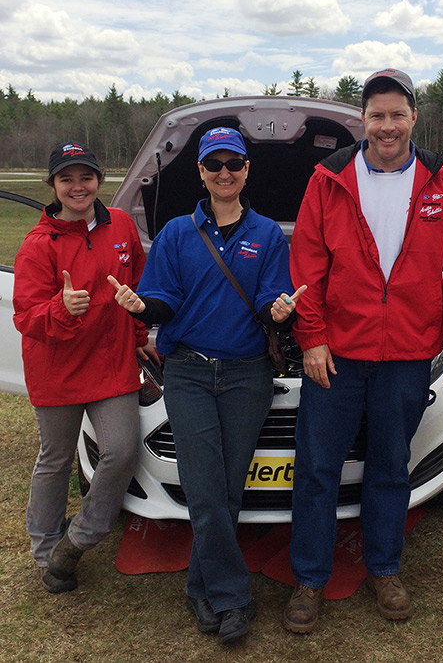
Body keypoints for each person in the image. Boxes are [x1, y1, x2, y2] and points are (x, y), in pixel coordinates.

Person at [284, 68, 443, 633]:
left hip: (408, 354)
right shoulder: (330, 178)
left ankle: (384, 568)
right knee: (318, 468)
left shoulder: (441, 183)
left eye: (397, 114)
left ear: (413, 117)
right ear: (363, 120)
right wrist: (314, 338)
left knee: (391, 466)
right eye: (377, 115)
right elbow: (309, 267)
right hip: (340, 355)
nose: (387, 126)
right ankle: (310, 579)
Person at [110, 127, 303, 644]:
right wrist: (141, 307)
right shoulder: (175, 233)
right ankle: (234, 597)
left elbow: (267, 300)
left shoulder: (266, 234)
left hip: (247, 376)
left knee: (227, 488)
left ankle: (201, 588)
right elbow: (163, 300)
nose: (224, 173)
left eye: (233, 164)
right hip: (190, 373)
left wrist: (279, 313)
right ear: (199, 171)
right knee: (204, 486)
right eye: (214, 164)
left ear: (246, 171)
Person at [13, 142, 154, 594]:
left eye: (86, 176)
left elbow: (137, 288)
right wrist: (61, 306)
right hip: (57, 367)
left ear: (99, 180)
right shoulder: (38, 246)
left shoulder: (122, 225)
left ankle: (78, 538)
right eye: (67, 178)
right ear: (53, 186)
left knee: (121, 450)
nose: (78, 186)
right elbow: (25, 318)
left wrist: (138, 341)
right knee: (55, 460)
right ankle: (45, 551)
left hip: (111, 363)